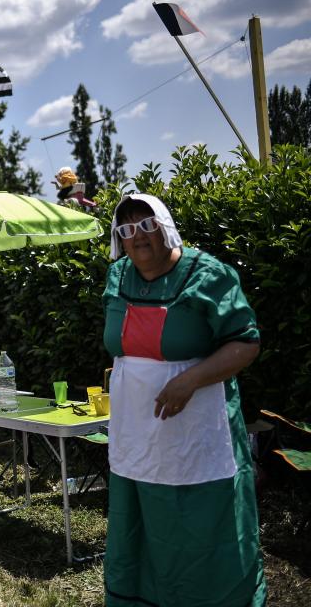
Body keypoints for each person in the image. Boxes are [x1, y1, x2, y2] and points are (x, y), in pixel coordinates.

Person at [101, 194, 265, 606]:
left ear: (165, 226)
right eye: (126, 229)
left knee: (200, 532)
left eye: (145, 225)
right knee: (142, 531)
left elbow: (245, 344)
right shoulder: (117, 275)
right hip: (138, 438)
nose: (136, 237)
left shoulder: (208, 275)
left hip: (197, 436)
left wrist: (188, 380)